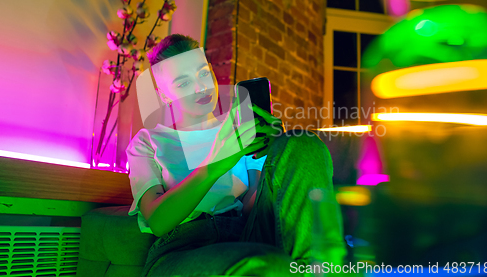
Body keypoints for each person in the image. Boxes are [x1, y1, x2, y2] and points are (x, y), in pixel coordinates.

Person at [126, 34, 346, 276]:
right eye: (183, 83)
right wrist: (214, 165)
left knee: (302, 144)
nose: (201, 87)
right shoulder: (148, 141)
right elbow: (158, 221)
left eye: (202, 73)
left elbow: (252, 207)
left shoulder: (240, 132)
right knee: (268, 266)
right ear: (164, 94)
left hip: (245, 234)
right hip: (183, 247)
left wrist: (278, 160)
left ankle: (321, 268)